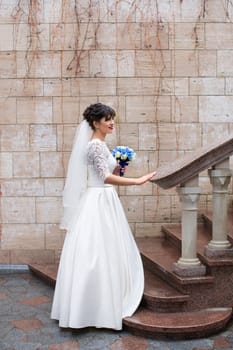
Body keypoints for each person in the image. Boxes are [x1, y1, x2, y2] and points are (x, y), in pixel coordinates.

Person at [51, 102, 156, 330]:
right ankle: (96, 307)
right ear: (95, 123)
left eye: (112, 118)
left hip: (104, 199)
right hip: (98, 200)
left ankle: (96, 303)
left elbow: (108, 173)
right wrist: (137, 181)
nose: (111, 123)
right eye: (107, 119)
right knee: (97, 252)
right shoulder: (96, 146)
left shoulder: (101, 145)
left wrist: (121, 166)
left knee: (105, 250)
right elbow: (105, 178)